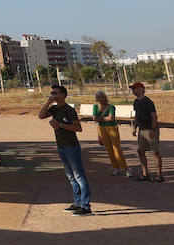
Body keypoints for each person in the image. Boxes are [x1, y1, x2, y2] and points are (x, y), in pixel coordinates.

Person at [39, 84, 92, 215]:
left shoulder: (69, 110)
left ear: (63, 95)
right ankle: (77, 202)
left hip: (71, 147)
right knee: (71, 177)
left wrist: (60, 125)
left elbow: (78, 128)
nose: (53, 95)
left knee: (79, 176)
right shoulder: (55, 108)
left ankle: (85, 206)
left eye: (56, 93)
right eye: (52, 93)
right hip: (62, 146)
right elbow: (41, 115)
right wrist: (48, 102)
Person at [130, 81, 164, 181]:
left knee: (155, 152)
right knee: (140, 151)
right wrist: (135, 127)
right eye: (132, 89)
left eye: (135, 88)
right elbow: (137, 115)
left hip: (150, 129)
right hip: (142, 130)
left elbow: (154, 116)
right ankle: (145, 174)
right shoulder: (136, 102)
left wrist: (153, 129)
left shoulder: (148, 102)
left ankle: (159, 175)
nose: (133, 91)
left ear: (141, 89)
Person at [93, 89, 129, 176]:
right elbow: (94, 118)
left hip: (112, 127)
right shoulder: (95, 107)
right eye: (98, 97)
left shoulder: (111, 107)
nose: (100, 99)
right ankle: (116, 167)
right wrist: (104, 118)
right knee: (109, 149)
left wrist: (101, 119)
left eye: (102, 97)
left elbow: (111, 118)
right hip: (102, 128)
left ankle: (125, 168)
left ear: (105, 97)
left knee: (116, 148)